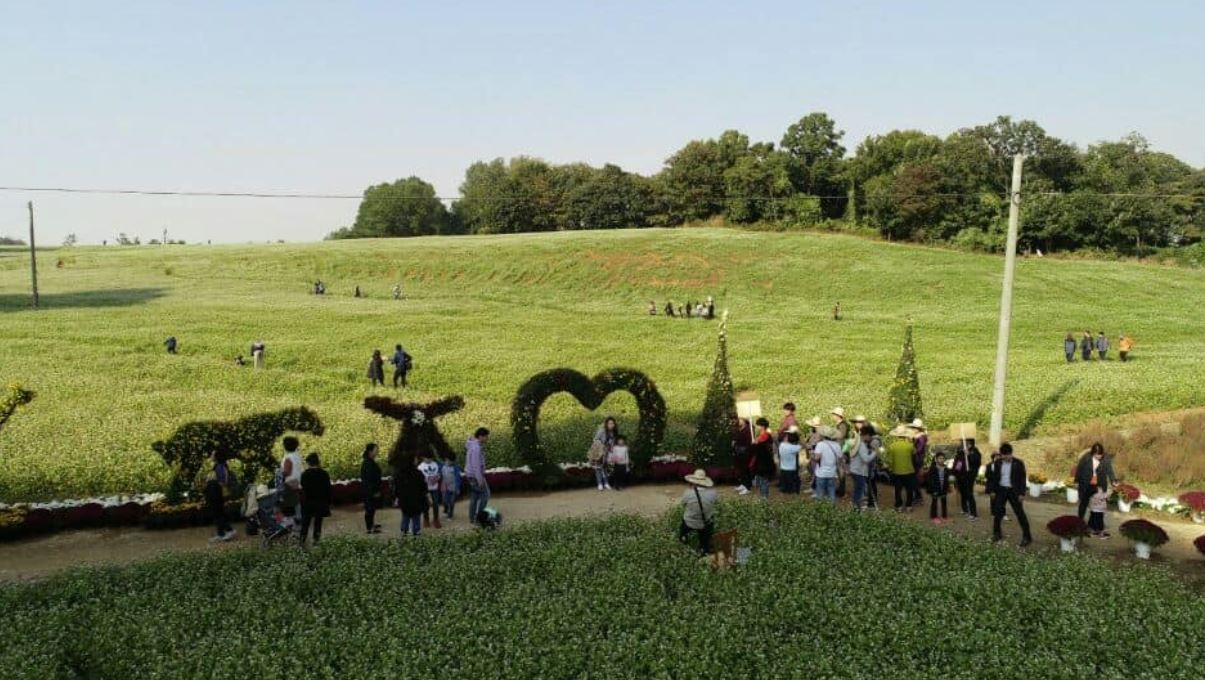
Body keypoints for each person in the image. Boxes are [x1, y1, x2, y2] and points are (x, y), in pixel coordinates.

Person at [986, 443, 1033, 546]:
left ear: (1011, 453)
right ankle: (997, 534)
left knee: (1020, 514)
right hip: (1001, 490)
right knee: (997, 513)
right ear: (1001, 455)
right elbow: (993, 478)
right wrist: (992, 491)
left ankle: (1027, 537)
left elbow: (1022, 479)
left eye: (1008, 455)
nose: (1007, 457)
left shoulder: (1018, 463)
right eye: (1004, 455)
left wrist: (1022, 493)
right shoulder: (998, 463)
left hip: (1014, 491)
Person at [679, 469, 717, 556]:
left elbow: (683, 504)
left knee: (683, 529)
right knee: (708, 526)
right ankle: (704, 547)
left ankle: (683, 540)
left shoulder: (688, 493)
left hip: (689, 522)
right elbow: (715, 502)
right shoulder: (713, 493)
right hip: (705, 523)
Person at [1074, 443, 1116, 521]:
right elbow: (1079, 469)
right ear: (1093, 453)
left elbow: (1110, 471)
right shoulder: (1086, 457)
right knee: (1083, 503)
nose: (1099, 456)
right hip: (1086, 483)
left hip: (1099, 485)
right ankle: (1080, 520)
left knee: (1098, 505)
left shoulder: (1106, 459)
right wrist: (1076, 481)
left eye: (1100, 454)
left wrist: (1113, 480)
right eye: (1097, 455)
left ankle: (1094, 524)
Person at [299, 453, 331, 546]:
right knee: (318, 523)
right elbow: (328, 489)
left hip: (308, 502)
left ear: (308, 463)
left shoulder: (305, 474)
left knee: (305, 523)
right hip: (320, 502)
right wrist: (328, 502)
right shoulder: (324, 474)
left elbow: (303, 488)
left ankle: (302, 541)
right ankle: (316, 541)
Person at [205, 451, 238, 542]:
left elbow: (223, 480)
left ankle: (229, 530)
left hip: (217, 493)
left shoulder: (219, 466)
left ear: (216, 456)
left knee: (218, 513)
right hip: (216, 493)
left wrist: (211, 480)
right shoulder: (218, 466)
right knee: (218, 513)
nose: (211, 455)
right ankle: (221, 533)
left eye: (212, 454)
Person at [885, 426, 917, 512]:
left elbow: (890, 461)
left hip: (897, 471)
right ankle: (908, 506)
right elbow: (914, 454)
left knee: (898, 490)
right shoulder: (910, 446)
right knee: (909, 489)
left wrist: (890, 469)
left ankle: (898, 506)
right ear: (905, 435)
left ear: (896, 436)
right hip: (909, 471)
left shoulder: (892, 446)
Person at [395, 454, 428, 537]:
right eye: (415, 459)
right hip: (416, 499)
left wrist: (397, 497)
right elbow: (423, 487)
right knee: (416, 516)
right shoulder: (418, 473)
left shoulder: (400, 473)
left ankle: (404, 531)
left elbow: (397, 487)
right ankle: (416, 531)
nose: (417, 460)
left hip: (404, 500)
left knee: (405, 515)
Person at [849, 425, 879, 511]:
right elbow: (866, 459)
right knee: (859, 491)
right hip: (859, 471)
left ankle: (856, 507)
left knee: (858, 490)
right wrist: (874, 453)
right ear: (866, 435)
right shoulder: (861, 445)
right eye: (870, 436)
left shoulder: (857, 443)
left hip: (855, 470)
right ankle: (856, 509)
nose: (870, 438)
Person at [465, 427, 491, 524]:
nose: (487, 439)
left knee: (474, 497)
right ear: (480, 436)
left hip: (470, 475)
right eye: (486, 437)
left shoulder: (472, 445)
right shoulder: (476, 448)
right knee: (486, 495)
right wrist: (480, 479)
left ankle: (473, 518)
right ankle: (479, 517)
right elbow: (476, 465)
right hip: (475, 476)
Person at [952, 438, 982, 521]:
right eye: (961, 441)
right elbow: (958, 462)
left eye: (962, 441)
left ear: (968, 442)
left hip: (969, 476)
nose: (961, 442)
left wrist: (969, 454)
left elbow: (977, 462)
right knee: (963, 492)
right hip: (960, 476)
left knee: (969, 493)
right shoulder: (960, 451)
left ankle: (973, 514)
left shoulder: (974, 451)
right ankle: (965, 509)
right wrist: (954, 472)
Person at [813, 427, 843, 503]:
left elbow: (817, 458)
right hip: (832, 473)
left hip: (821, 473)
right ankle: (831, 511)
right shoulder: (837, 445)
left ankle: (819, 510)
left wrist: (812, 456)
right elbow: (839, 461)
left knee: (820, 494)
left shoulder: (820, 444)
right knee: (831, 493)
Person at [360, 443, 383, 533]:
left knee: (372, 508)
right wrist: (374, 491)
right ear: (370, 451)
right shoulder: (367, 463)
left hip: (371, 489)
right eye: (375, 450)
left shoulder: (370, 461)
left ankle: (371, 524)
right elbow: (369, 479)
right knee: (369, 508)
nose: (377, 451)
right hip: (369, 490)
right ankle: (369, 527)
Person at [278, 436, 303, 520]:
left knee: (282, 501)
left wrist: (279, 473)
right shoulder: (297, 455)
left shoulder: (288, 458)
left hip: (289, 482)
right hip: (297, 481)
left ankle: (286, 519)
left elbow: (287, 472)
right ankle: (299, 516)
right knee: (296, 501)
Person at [591, 417, 618, 491]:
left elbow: (613, 443)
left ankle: (606, 483)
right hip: (599, 451)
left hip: (607, 452)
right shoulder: (601, 431)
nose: (611, 425)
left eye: (612, 423)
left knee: (605, 468)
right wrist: (601, 446)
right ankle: (600, 484)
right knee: (598, 468)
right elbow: (595, 439)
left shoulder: (614, 432)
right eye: (609, 423)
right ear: (606, 424)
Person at [750, 418, 775, 499]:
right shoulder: (762, 435)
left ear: (762, 426)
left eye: (758, 425)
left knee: (763, 480)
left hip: (764, 462)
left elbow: (760, 448)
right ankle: (763, 496)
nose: (756, 427)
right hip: (762, 461)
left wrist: (755, 444)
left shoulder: (765, 436)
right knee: (761, 480)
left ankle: (764, 497)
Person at [418, 453, 443, 529]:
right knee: (425, 505)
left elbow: (439, 473)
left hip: (434, 488)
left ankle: (436, 519)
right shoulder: (420, 467)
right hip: (425, 489)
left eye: (430, 458)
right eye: (427, 458)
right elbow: (419, 478)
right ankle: (426, 519)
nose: (429, 460)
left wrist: (437, 477)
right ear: (423, 458)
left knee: (435, 504)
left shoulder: (435, 464)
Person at [927, 451, 951, 524]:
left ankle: (944, 516)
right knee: (934, 502)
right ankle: (934, 516)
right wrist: (933, 489)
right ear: (936, 459)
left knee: (944, 502)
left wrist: (949, 486)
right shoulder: (933, 468)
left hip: (943, 488)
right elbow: (930, 480)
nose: (941, 460)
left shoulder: (946, 468)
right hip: (935, 488)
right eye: (940, 458)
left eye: (943, 458)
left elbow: (948, 479)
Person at [777, 429, 802, 494]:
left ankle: (785, 490)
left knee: (785, 485)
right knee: (793, 486)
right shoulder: (794, 447)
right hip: (791, 469)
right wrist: (799, 437)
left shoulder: (781, 445)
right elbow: (801, 445)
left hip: (783, 469)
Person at [733, 418, 753, 495]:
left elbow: (748, 442)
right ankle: (743, 484)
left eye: (741, 419)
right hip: (739, 451)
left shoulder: (748, 429)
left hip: (744, 452)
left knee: (745, 469)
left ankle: (747, 487)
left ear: (744, 420)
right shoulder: (740, 428)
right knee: (741, 469)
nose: (739, 421)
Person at [440, 451, 461, 519]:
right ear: (445, 459)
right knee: (445, 501)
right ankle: (446, 509)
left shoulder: (456, 467)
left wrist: (457, 488)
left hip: (453, 488)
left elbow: (458, 478)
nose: (448, 462)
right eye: (447, 460)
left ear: (453, 461)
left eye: (450, 461)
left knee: (452, 502)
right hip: (445, 487)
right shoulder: (442, 465)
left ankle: (450, 515)